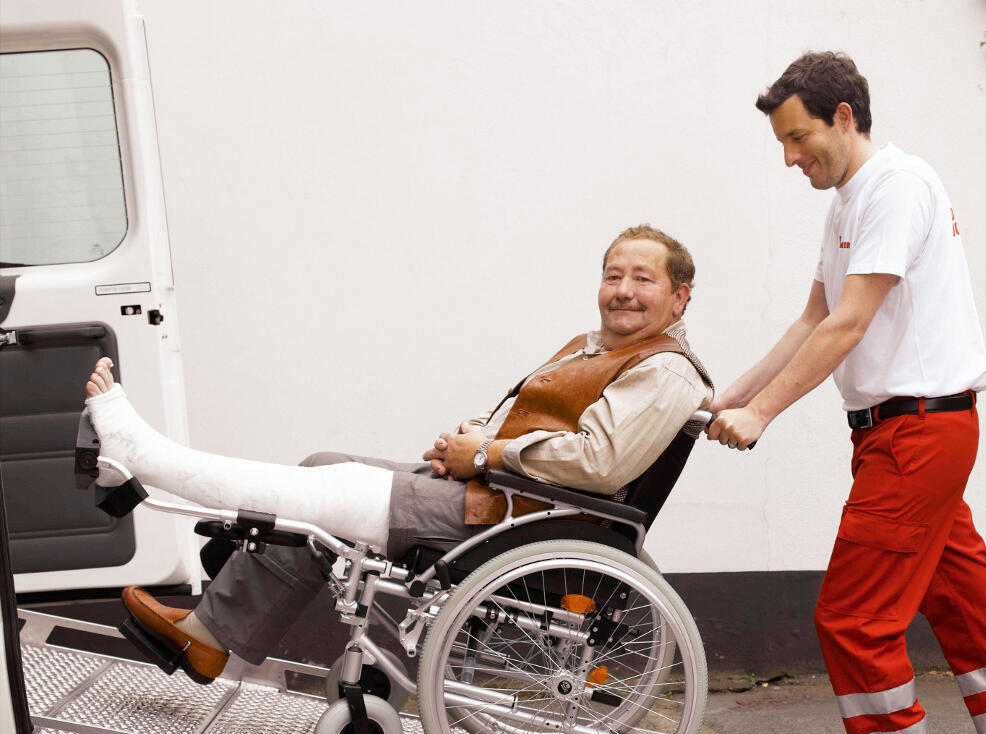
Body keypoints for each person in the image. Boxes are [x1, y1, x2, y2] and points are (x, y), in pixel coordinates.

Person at [708, 52, 986, 734]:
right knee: (968, 608)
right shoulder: (848, 203)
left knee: (852, 618)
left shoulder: (896, 187)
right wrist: (731, 398)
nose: (789, 158)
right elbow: (812, 319)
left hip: (916, 433)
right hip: (907, 435)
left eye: (798, 137)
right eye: (781, 142)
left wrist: (763, 414)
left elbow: (849, 323)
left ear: (844, 117)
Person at [88, 224, 712, 685]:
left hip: (517, 520)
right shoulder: (597, 348)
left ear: (679, 297)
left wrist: (485, 454)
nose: (623, 291)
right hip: (505, 497)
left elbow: (599, 462)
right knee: (322, 466)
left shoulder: (664, 370)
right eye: (613, 276)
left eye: (643, 279)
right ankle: (209, 635)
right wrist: (467, 441)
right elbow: (536, 422)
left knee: (326, 499)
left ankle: (144, 457)